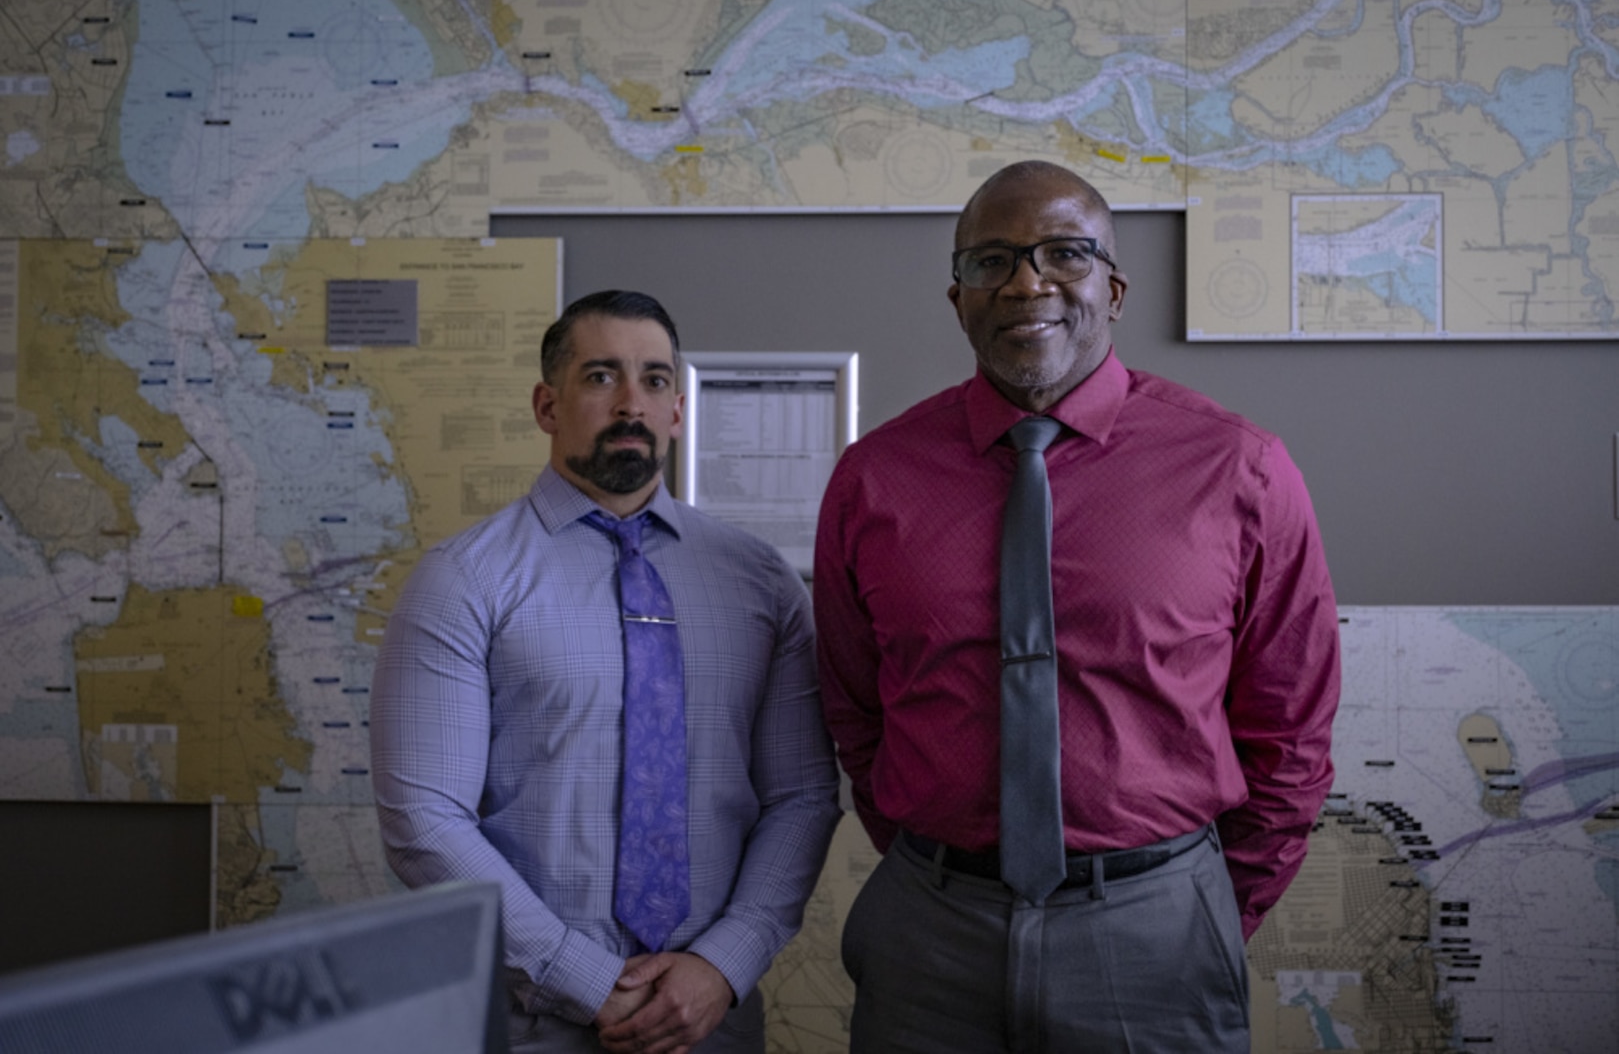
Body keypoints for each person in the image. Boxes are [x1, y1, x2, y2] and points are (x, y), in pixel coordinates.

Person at [814, 161, 1340, 1052]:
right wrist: (946, 866)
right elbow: (855, 709)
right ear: (957, 296)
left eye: (1064, 253)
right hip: (930, 938)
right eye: (991, 262)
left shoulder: (1239, 468)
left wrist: (1208, 903)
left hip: (1156, 930)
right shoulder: (874, 479)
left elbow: (1289, 727)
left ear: (1114, 287)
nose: (1027, 283)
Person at [372, 289, 842, 1054]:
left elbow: (801, 797)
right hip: (529, 1021)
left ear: (678, 411)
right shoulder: (463, 580)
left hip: (709, 1022)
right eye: (600, 377)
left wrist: (720, 967)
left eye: (654, 380)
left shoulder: (760, 582)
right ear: (546, 405)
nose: (631, 403)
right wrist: (590, 983)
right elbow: (423, 823)